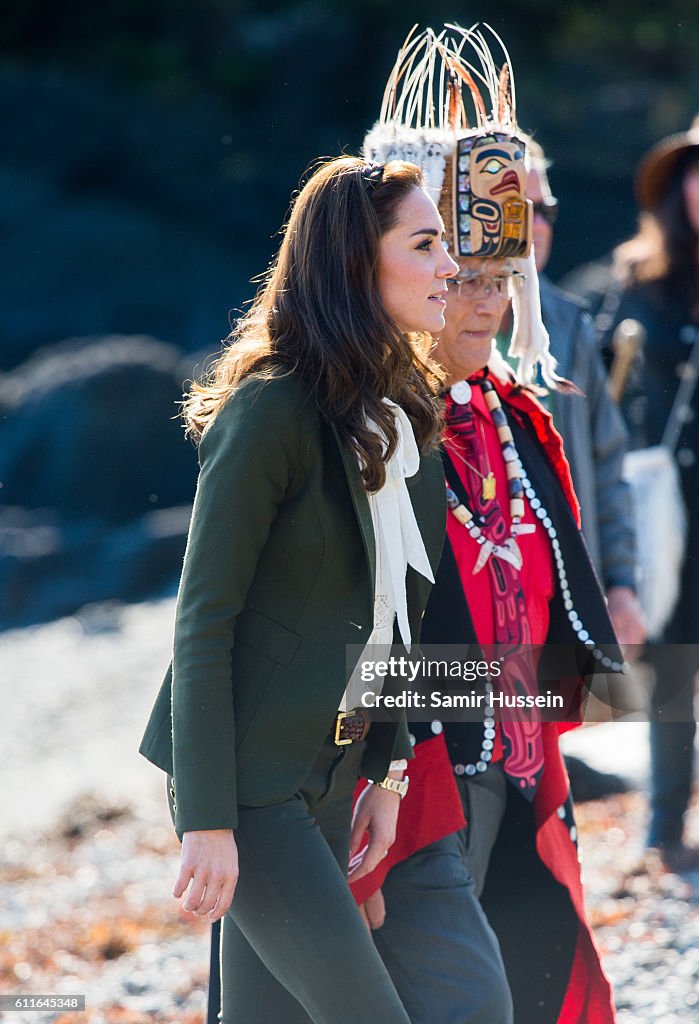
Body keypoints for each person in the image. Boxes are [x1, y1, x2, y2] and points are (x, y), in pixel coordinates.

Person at [140, 154, 459, 1023]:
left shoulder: (407, 414)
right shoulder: (270, 407)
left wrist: (385, 775)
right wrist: (205, 818)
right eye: (426, 244)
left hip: (327, 781)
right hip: (249, 788)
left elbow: (401, 620)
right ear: (359, 262)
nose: (451, 267)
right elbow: (204, 624)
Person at [352, 26, 624, 1024]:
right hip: (401, 778)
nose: (485, 302)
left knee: (518, 977)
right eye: (459, 276)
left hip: (510, 763)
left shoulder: (511, 418)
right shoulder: (363, 423)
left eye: (500, 279)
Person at [564, 107, 699, 870]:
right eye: (697, 173)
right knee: (671, 660)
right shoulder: (640, 280)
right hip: (665, 514)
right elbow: (601, 392)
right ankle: (665, 834)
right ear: (677, 192)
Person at [496, 140, 645, 654]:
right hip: (470, 600)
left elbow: (607, 465)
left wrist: (622, 586)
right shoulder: (428, 320)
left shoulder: (569, 322)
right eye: (519, 207)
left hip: (558, 594)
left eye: (547, 210)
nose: (536, 223)